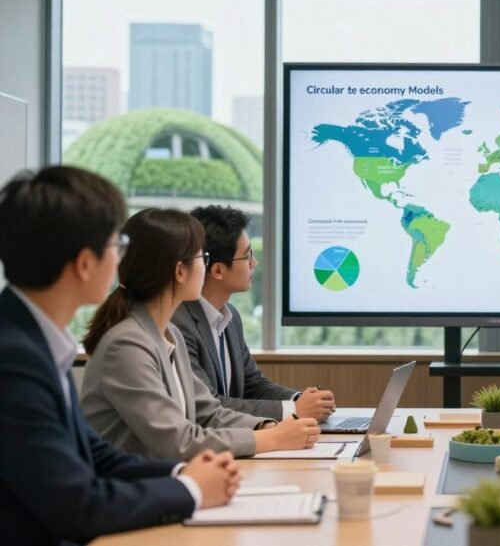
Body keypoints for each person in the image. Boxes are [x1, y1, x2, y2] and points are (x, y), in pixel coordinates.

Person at [0, 167, 241, 545]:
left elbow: (95, 454)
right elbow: (79, 507)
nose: (121, 259)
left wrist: (182, 474)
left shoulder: (34, 339)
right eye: (117, 244)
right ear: (84, 263)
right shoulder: (14, 358)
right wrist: (191, 490)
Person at [80, 208, 321, 461]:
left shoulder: (170, 333)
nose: (206, 266)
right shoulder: (126, 344)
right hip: (135, 482)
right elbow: (178, 441)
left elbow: (209, 413)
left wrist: (268, 427)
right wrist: (271, 439)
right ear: (180, 271)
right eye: (202, 257)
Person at [171, 205, 335, 421]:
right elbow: (208, 406)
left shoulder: (230, 317)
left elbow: (252, 385)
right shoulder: (178, 323)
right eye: (247, 256)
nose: (254, 263)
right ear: (218, 270)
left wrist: (300, 399)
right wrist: (294, 410)